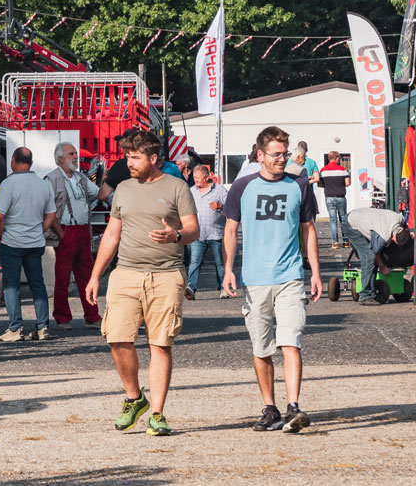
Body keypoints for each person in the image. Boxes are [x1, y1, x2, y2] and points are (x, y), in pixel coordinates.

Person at [84, 129, 198, 437]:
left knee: (160, 344)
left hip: (166, 274)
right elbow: (111, 234)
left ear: (153, 158)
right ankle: (135, 398)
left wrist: (175, 236)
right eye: (127, 157)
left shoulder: (176, 187)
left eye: (135, 158)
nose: (129, 163)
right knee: (117, 338)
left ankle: (158, 413)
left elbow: (193, 230)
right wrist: (95, 275)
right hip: (126, 273)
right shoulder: (122, 188)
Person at [222, 126, 321, 433]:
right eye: (277, 154)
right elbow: (229, 230)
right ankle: (270, 408)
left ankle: (293, 407)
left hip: (290, 276)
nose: (282, 159)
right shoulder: (242, 187)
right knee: (261, 346)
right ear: (260, 155)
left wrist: (315, 271)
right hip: (255, 278)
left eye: (285, 154)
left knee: (291, 340)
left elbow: (309, 229)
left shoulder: (300, 185)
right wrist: (228, 269)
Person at [0, 147, 56, 341]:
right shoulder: (42, 183)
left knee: (12, 286)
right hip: (35, 242)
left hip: (12, 242)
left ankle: (15, 328)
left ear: (13, 160)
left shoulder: (8, 184)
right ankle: (42, 326)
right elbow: (51, 214)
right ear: (31, 162)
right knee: (38, 284)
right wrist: (40, 230)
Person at [45, 142, 101, 329]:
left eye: (75, 153)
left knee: (86, 275)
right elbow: (47, 209)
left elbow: (97, 194)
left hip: (83, 230)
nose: (76, 157)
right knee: (62, 277)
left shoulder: (80, 177)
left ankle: (92, 316)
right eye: (71, 154)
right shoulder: (51, 179)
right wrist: (60, 233)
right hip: (66, 230)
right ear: (61, 159)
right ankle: (62, 318)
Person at [342, 207, 412, 306]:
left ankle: (371, 291)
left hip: (362, 217)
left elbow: (406, 228)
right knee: (369, 257)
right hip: (351, 224)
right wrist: (382, 267)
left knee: (372, 257)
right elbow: (375, 254)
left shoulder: (400, 219)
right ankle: (365, 296)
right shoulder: (382, 236)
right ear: (393, 238)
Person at [187, 164, 229, 298]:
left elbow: (231, 208)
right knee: (195, 261)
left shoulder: (220, 190)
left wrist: (220, 206)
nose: (196, 180)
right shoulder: (191, 191)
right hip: (198, 234)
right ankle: (191, 288)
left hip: (216, 233)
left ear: (207, 177)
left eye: (199, 178)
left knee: (220, 263)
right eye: (194, 177)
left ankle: (223, 288)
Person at [321, 151, 351, 249]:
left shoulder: (323, 170)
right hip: (340, 197)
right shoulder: (342, 169)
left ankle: (335, 243)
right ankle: (346, 241)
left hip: (329, 197)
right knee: (343, 219)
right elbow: (347, 183)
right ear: (336, 158)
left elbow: (320, 184)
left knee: (332, 220)